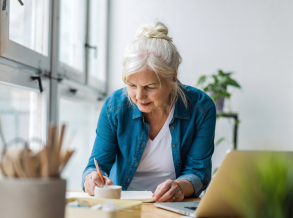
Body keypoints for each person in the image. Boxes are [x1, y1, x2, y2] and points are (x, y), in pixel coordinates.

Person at [82, 21, 216, 202]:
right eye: (131, 85)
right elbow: (96, 165)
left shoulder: (201, 108)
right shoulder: (114, 107)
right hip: (123, 204)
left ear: (173, 78)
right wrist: (92, 180)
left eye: (150, 86)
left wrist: (179, 187)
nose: (139, 96)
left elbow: (198, 172)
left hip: (173, 205)